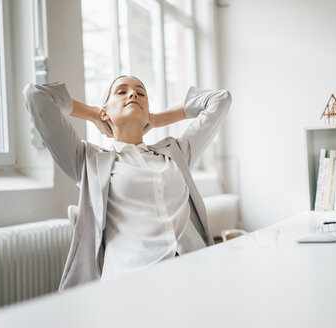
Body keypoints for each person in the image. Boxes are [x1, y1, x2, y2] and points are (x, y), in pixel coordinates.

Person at [22, 75, 232, 291]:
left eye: (141, 93)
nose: (133, 94)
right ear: (106, 111)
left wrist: (156, 119)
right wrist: (95, 114)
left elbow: (220, 100)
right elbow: (37, 96)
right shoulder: (89, 160)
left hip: (194, 273)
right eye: (121, 91)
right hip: (132, 282)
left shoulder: (176, 152)